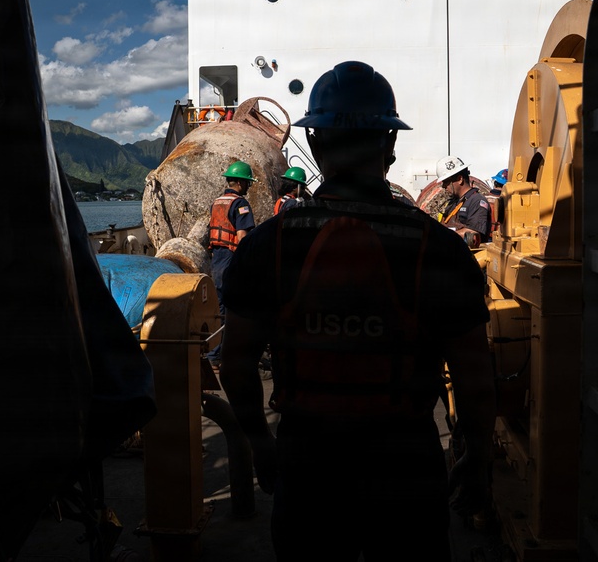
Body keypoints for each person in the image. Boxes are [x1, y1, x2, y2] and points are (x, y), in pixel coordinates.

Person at [218, 60, 496, 561]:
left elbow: (236, 362)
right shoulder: (441, 250)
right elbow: (475, 376)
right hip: (408, 471)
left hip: (308, 469)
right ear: (389, 147)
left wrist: (260, 442)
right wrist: (477, 459)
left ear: (318, 146)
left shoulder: (268, 247)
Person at [206, 160, 257, 368]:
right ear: (240, 183)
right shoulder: (240, 204)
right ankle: (224, 355)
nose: (248, 187)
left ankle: (214, 353)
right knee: (236, 308)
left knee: (220, 308)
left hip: (216, 260)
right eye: (248, 183)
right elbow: (243, 237)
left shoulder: (217, 202)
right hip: (231, 259)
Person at [435, 155, 492, 247]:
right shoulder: (454, 202)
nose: (443, 186)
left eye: (446, 182)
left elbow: (473, 235)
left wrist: (443, 235)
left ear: (459, 179)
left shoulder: (477, 201)